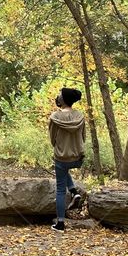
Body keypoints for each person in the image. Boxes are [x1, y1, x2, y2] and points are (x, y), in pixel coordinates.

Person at [49, 87, 85, 233]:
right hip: (77, 158)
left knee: (60, 190)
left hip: (62, 157)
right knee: (64, 170)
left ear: (63, 99)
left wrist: (62, 148)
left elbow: (52, 139)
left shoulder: (55, 117)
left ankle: (60, 224)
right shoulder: (80, 116)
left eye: (59, 95)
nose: (57, 96)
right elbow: (83, 137)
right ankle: (74, 191)